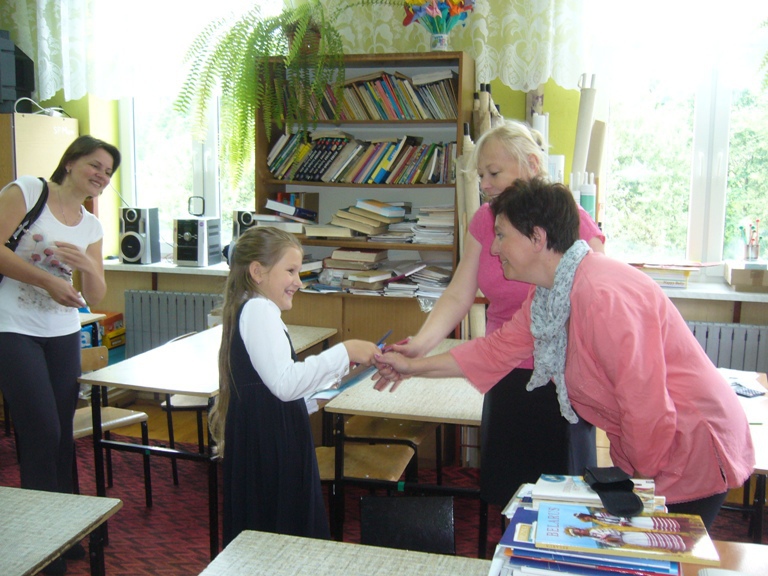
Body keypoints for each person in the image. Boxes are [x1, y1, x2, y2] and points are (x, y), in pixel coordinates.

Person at [373, 178, 754, 529]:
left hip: (690, 446)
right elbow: (495, 352)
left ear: (537, 237)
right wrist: (411, 366)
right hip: (655, 446)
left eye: (501, 235)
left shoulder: (601, 296)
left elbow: (646, 407)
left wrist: (640, 491)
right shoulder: (550, 294)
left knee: (657, 558)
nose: (493, 248)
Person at [388, 120, 606, 508]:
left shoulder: (567, 218)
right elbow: (459, 293)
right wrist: (420, 344)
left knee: (561, 497)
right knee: (510, 493)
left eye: (493, 173)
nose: (485, 185)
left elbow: (598, 297)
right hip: (504, 370)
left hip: (561, 378)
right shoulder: (485, 220)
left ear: (532, 165)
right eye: (480, 177)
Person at [210, 226, 380, 546]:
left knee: (272, 533)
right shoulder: (259, 309)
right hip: (271, 443)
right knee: (282, 535)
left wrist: (325, 392)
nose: (299, 282)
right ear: (257, 272)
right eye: (290, 271)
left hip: (268, 436)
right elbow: (285, 384)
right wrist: (345, 351)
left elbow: (273, 390)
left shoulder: (254, 307)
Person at [0, 134, 119, 574]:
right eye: (95, 165)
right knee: (41, 434)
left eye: (108, 172)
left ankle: (64, 530)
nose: (101, 175)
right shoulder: (28, 191)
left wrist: (87, 268)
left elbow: (96, 294)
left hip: (62, 332)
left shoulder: (91, 226)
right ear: (70, 162)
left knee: (61, 437)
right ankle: (41, 546)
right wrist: (48, 280)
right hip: (12, 326)